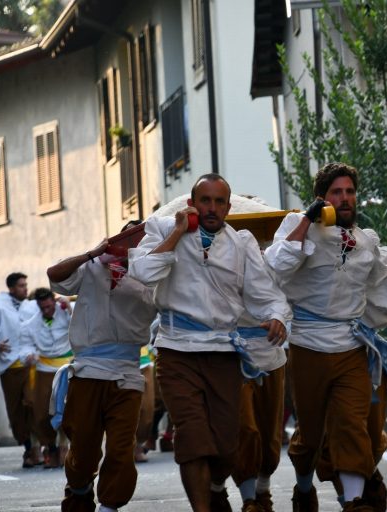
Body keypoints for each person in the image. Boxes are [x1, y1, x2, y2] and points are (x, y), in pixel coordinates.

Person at [264, 162, 387, 512]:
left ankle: (354, 503)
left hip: (351, 347)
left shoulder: (364, 241)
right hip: (307, 346)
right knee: (312, 434)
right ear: (322, 198)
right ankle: (304, 487)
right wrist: (307, 220)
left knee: (352, 425)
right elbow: (274, 266)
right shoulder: (298, 229)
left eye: (350, 192)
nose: (346, 198)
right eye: (337, 192)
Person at [127, 173, 292, 512]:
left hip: (223, 353)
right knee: (192, 436)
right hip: (177, 350)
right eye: (205, 200)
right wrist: (176, 232)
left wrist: (276, 316)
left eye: (219, 202)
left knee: (228, 444)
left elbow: (266, 294)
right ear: (192, 204)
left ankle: (216, 487)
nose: (212, 208)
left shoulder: (242, 243)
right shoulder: (161, 229)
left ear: (229, 208)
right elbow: (143, 273)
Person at [47, 220, 158, 512]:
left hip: (128, 374)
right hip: (88, 370)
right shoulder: (92, 267)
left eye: (142, 237)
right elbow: (54, 275)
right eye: (130, 235)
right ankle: (80, 491)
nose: (135, 242)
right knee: (83, 447)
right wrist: (91, 254)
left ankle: (110, 506)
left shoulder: (154, 275)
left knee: (122, 449)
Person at [316, 229, 387, 511]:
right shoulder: (313, 258)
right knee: (332, 433)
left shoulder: (378, 256)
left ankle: (366, 475)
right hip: (326, 353)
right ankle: (351, 499)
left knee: (370, 433)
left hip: (368, 355)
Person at [0, 272, 41, 467]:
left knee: (33, 404)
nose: (25, 288)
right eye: (21, 285)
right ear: (12, 288)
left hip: (30, 365)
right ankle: (27, 447)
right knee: (16, 411)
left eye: (26, 284)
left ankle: (38, 447)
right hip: (10, 367)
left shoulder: (30, 306)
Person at [230, 312, 288, 512]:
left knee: (269, 431)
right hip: (229, 351)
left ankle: (263, 490)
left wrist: (280, 314)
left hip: (270, 352)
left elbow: (286, 290)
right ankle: (249, 501)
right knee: (244, 426)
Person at [21, 288, 73, 468]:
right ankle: (50, 446)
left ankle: (65, 445)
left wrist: (70, 309)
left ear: (54, 302)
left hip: (67, 365)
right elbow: (25, 346)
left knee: (69, 408)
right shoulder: (31, 324)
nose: (47, 311)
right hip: (44, 368)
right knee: (42, 411)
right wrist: (28, 356)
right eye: (43, 308)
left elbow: (83, 325)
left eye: (49, 306)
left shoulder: (67, 313)